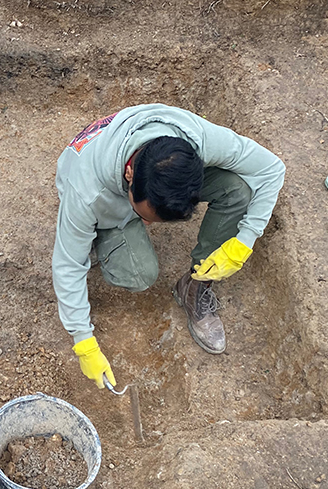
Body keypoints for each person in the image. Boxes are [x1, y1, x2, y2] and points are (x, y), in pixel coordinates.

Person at [52, 103, 286, 388]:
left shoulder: (197, 138)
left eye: (155, 219)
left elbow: (273, 169)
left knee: (237, 190)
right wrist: (83, 342)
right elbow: (68, 264)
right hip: (97, 181)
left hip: (135, 173)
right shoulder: (85, 192)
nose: (150, 227)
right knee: (139, 274)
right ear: (129, 177)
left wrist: (244, 241)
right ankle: (103, 229)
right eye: (144, 217)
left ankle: (195, 285)